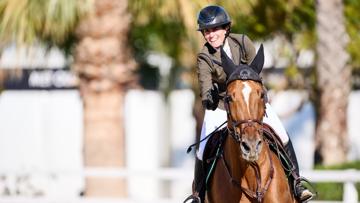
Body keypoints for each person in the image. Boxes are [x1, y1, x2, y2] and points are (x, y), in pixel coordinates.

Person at [184, 5, 315, 203]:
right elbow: (205, 83)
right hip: (221, 106)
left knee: (281, 134)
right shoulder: (205, 57)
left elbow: (256, 75)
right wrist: (207, 97)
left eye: (215, 29)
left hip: (251, 103)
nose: (211, 35)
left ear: (226, 28)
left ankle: (297, 183)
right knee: (202, 148)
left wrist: (257, 98)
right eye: (207, 31)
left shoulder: (243, 42)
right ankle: (199, 195)